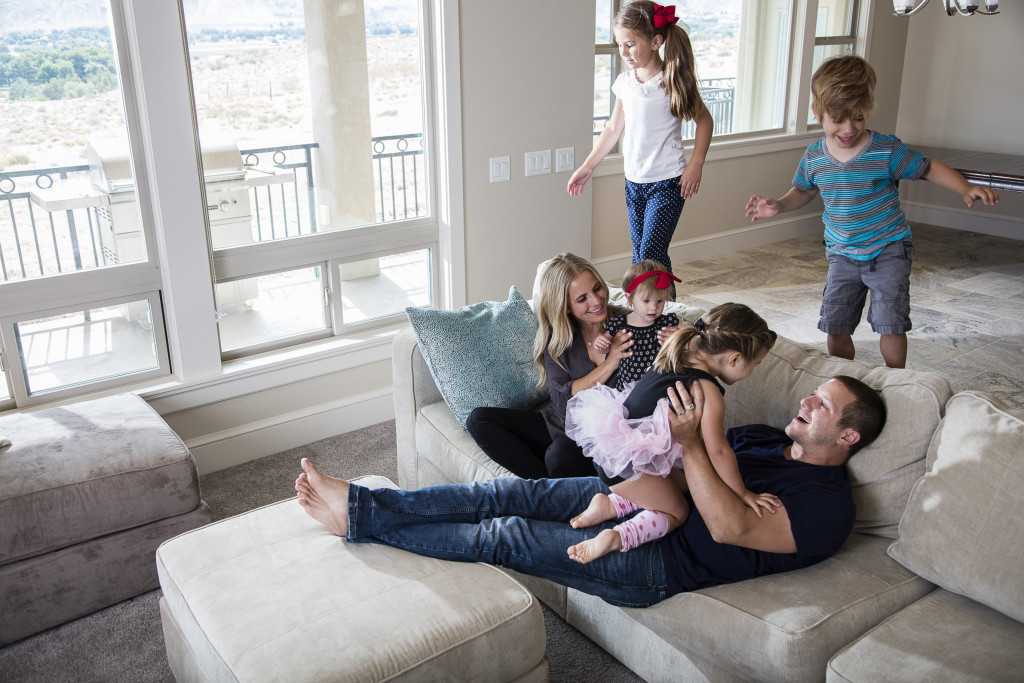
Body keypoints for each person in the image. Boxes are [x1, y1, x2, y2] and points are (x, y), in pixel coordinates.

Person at [295, 375, 887, 608]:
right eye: (811, 393)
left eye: (823, 406)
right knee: (506, 495)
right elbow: (685, 475)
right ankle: (362, 505)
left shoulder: (828, 507)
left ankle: (359, 520)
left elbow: (730, 527)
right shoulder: (762, 438)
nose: (805, 402)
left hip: (657, 560)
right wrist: (641, 457)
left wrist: (691, 446)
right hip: (650, 500)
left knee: (508, 535)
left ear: (848, 434)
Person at [744, 55, 999, 369]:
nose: (849, 128)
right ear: (817, 113)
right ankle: (843, 378)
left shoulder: (886, 150)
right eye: (838, 118)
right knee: (835, 325)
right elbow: (804, 191)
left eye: (858, 117)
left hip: (888, 249)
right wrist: (780, 204)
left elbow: (928, 168)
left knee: (889, 322)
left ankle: (896, 378)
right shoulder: (814, 157)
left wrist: (964, 188)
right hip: (842, 253)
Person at [564, 303, 780, 563]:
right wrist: (743, 493)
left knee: (685, 482)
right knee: (678, 511)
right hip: (627, 464)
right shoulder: (708, 391)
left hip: (614, 447)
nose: (752, 371)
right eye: (754, 364)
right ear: (734, 358)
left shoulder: (674, 353)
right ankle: (617, 536)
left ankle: (609, 504)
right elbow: (719, 451)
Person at [567, 1, 713, 281]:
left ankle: (649, 314)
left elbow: (704, 121)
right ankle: (664, 311)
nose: (624, 52)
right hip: (634, 182)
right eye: (620, 44)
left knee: (649, 256)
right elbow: (612, 129)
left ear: (656, 41)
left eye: (631, 44)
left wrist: (696, 164)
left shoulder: (672, 82)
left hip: (669, 181)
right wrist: (587, 167)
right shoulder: (625, 83)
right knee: (643, 256)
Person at [465, 253, 634, 479]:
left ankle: (551, 486)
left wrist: (688, 336)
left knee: (560, 456)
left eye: (597, 289)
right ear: (566, 307)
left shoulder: (628, 325)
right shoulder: (559, 341)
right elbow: (563, 403)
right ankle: (545, 485)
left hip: (600, 435)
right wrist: (610, 363)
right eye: (582, 299)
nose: (596, 301)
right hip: (558, 423)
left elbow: (662, 325)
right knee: (478, 420)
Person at [596, 259, 681, 390]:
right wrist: (601, 345)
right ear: (629, 298)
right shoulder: (619, 323)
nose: (653, 307)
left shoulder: (667, 322)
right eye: (646, 301)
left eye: (660, 301)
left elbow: (690, 333)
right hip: (627, 390)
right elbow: (605, 349)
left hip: (660, 386)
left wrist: (683, 337)